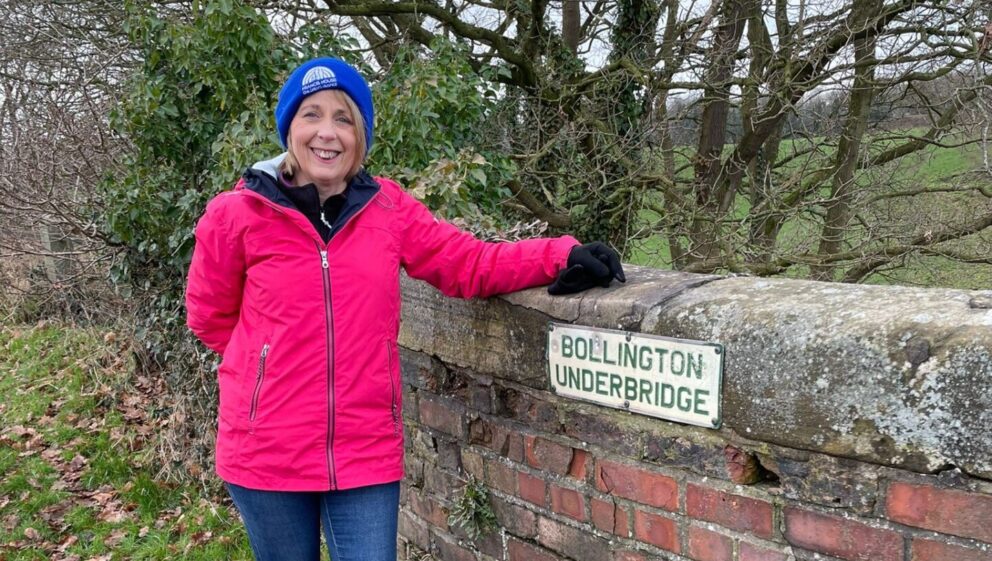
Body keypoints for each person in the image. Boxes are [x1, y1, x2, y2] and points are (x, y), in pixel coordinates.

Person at [185, 56, 624, 561]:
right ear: (290, 128)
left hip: (364, 449)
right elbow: (209, 317)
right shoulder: (236, 213)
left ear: (360, 136)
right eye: (312, 115)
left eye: (344, 118)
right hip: (265, 450)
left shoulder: (387, 209)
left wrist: (558, 254)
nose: (327, 132)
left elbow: (468, 262)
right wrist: (267, 370)